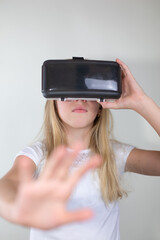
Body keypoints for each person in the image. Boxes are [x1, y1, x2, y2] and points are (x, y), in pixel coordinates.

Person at [0, 58, 159, 240]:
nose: (79, 98)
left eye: (87, 90)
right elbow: (6, 185)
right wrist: (14, 208)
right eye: (70, 90)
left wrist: (141, 101)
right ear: (54, 103)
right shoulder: (37, 155)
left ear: (100, 106)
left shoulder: (116, 155)